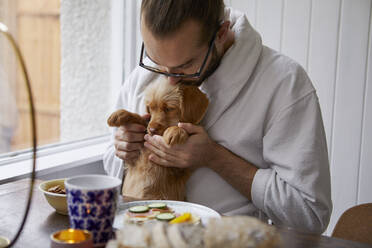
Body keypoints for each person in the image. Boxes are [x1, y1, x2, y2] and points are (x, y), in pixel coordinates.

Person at [103, 0, 332, 234]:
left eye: (186, 64)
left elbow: (310, 215)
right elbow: (111, 163)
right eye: (157, 62)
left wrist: (214, 157)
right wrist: (124, 150)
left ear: (221, 33)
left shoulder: (284, 84)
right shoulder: (152, 70)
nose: (169, 79)